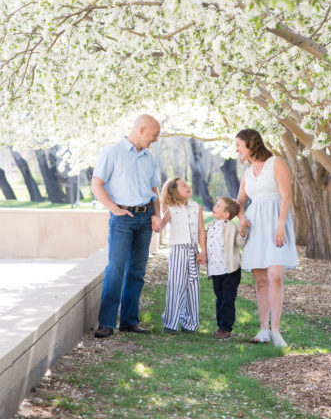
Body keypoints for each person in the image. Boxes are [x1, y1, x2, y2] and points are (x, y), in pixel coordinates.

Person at [92, 115, 162, 338]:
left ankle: (129, 321)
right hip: (122, 218)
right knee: (116, 269)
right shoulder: (111, 152)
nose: (156, 139)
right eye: (154, 134)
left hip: (145, 218)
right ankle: (106, 323)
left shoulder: (149, 158)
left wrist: (156, 215)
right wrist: (115, 209)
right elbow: (97, 185)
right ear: (142, 129)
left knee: (137, 271)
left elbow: (155, 191)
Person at [236, 129, 298, 347]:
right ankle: (263, 330)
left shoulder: (276, 163)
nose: (236, 150)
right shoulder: (247, 174)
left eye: (239, 145)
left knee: (276, 275)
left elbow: (286, 195)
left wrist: (281, 224)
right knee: (261, 280)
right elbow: (239, 203)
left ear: (251, 145)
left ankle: (276, 330)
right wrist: (242, 219)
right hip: (256, 228)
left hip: (276, 225)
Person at [159, 177, 207, 334]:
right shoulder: (171, 209)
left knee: (193, 286)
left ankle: (190, 323)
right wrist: (156, 224)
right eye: (183, 185)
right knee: (177, 285)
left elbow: (201, 230)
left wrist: (203, 251)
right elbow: (161, 225)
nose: (188, 186)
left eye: (187, 184)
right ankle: (170, 322)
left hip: (193, 250)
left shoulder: (196, 207)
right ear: (174, 191)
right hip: (178, 250)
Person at [206, 196, 246, 340]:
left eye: (218, 206)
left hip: (230, 270)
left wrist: (242, 232)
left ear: (226, 215)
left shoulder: (230, 226)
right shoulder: (211, 227)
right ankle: (220, 326)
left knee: (228, 299)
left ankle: (225, 328)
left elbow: (240, 242)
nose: (214, 207)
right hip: (216, 270)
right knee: (220, 298)